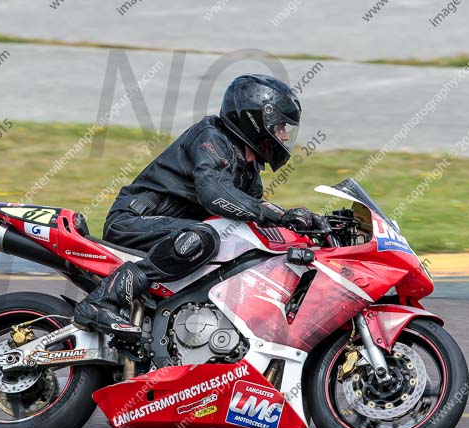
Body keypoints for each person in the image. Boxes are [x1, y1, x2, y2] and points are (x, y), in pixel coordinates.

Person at [73, 74, 325, 341]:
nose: (284, 135)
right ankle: (102, 301)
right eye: (280, 126)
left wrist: (306, 225)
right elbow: (213, 194)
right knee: (202, 238)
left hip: (172, 234)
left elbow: (252, 215)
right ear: (256, 121)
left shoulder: (249, 172)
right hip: (134, 222)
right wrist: (278, 213)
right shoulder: (211, 138)